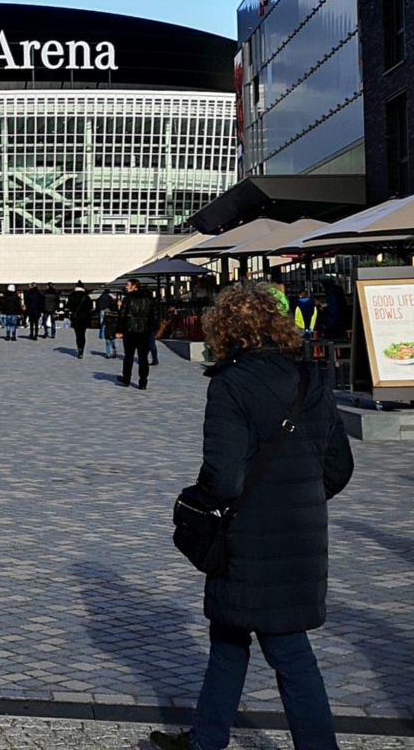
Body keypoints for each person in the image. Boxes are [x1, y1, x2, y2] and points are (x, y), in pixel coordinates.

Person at [149, 282, 353, 750]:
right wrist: (295, 500)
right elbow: (339, 468)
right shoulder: (310, 378)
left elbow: (223, 481)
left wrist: (190, 502)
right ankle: (207, 736)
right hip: (300, 537)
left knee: (288, 651)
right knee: (228, 636)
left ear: (224, 330)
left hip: (248, 540)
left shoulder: (231, 384)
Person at [116, 278, 160, 389]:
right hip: (144, 332)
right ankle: (143, 382)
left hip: (130, 332)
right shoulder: (149, 300)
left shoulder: (127, 299)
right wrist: (152, 329)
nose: (126, 287)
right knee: (143, 358)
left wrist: (119, 330)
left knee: (128, 357)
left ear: (134, 287)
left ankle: (126, 379)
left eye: (128, 285)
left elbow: (122, 316)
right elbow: (154, 316)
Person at [66, 283, 93, 358]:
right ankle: (82, 350)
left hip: (76, 318)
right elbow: (90, 308)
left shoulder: (72, 296)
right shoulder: (86, 296)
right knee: (83, 334)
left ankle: (79, 348)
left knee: (78, 335)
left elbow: (68, 306)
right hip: (84, 318)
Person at [97, 289, 119, 358]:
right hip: (111, 322)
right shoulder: (110, 297)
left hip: (102, 311)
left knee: (103, 324)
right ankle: (113, 350)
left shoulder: (101, 297)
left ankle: (108, 353)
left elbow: (98, 304)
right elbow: (112, 304)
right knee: (112, 339)